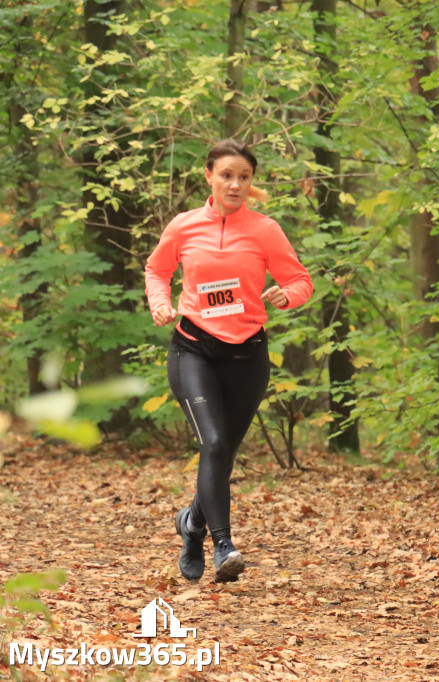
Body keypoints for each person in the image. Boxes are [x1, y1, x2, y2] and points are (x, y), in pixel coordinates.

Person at [145, 139, 313, 583]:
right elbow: (156, 270)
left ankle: (191, 524)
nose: (235, 184)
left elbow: (300, 280)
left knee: (224, 453)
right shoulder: (184, 226)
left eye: (244, 177)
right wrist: (160, 302)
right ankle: (223, 545)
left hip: (247, 355)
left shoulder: (264, 230)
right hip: (193, 349)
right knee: (215, 444)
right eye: (227, 175)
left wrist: (287, 294)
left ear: (251, 183)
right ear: (209, 177)